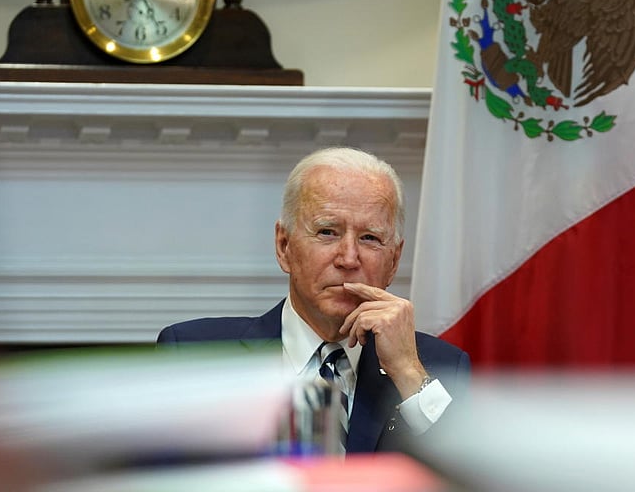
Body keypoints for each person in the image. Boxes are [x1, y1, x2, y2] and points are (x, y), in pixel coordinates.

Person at [158, 146, 470, 454]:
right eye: (327, 232)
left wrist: (408, 373)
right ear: (284, 247)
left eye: (369, 238)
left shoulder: (439, 367)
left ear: (394, 260)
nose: (348, 258)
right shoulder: (194, 354)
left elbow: (470, 478)